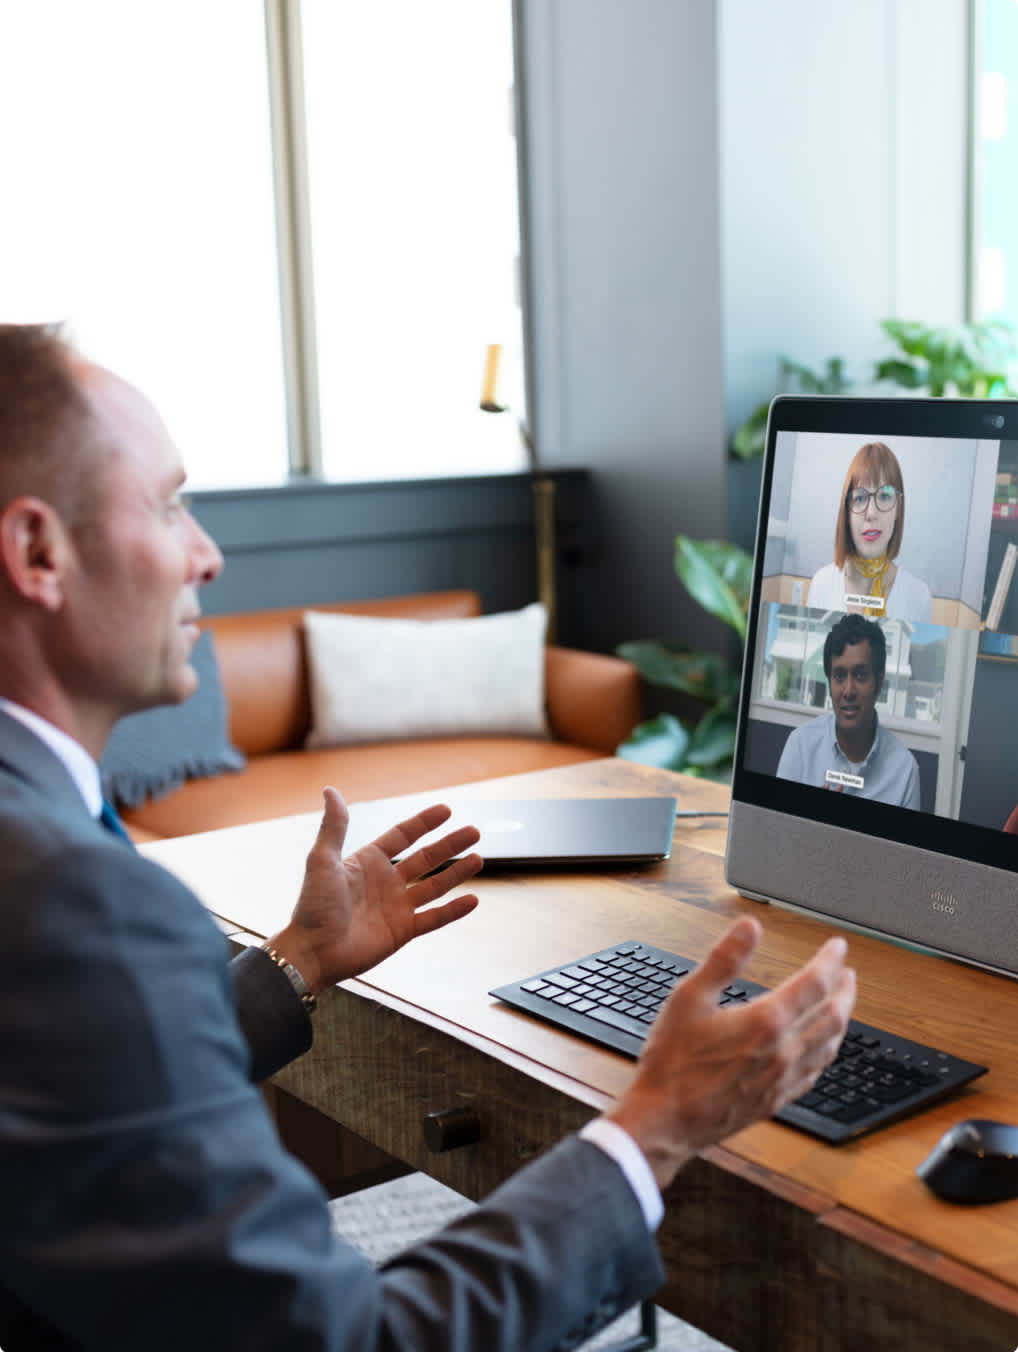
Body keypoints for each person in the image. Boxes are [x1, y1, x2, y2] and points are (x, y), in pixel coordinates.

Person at [0, 323, 856, 1351]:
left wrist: (297, 960)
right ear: (38, 552)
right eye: (169, 504)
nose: (208, 556)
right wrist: (654, 1125)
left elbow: (78, 1078)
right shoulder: (78, 905)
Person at [776, 612, 920, 810]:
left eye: (860, 676)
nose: (849, 691)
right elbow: (777, 833)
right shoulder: (800, 747)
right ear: (829, 683)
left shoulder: (905, 770)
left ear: (879, 684)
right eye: (839, 676)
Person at [807, 440, 933, 623]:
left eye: (884, 496)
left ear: (899, 508)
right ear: (847, 513)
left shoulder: (918, 597)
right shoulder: (822, 583)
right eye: (859, 498)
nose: (871, 513)